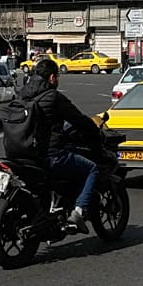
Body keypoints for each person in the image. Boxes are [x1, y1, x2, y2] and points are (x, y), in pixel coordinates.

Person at [10, 59, 104, 231]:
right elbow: (78, 119)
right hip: (50, 156)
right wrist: (94, 130)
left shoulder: (22, 94)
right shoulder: (53, 97)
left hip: (22, 155)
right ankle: (78, 212)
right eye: (57, 77)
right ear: (52, 78)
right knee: (91, 168)